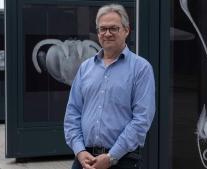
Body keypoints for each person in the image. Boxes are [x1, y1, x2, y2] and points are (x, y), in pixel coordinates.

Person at [64, 3, 155, 169]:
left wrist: (112, 156)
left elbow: (142, 119)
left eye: (114, 28)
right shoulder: (85, 68)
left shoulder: (141, 68)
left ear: (126, 30)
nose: (107, 33)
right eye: (102, 29)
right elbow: (72, 113)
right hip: (84, 160)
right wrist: (79, 151)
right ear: (98, 33)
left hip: (123, 160)